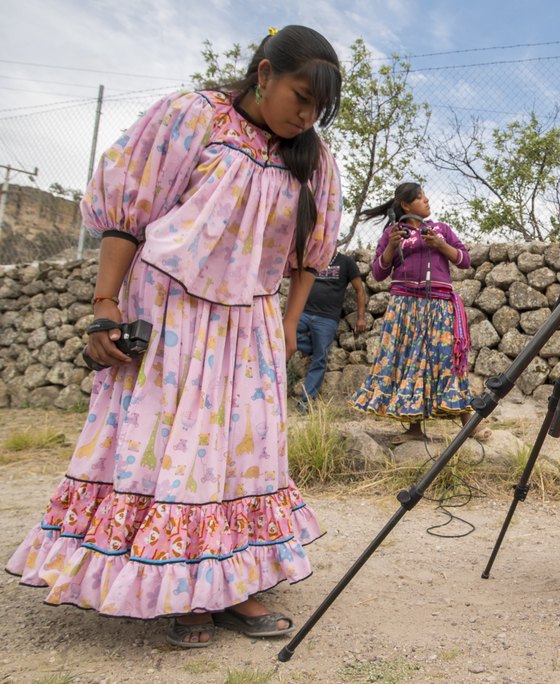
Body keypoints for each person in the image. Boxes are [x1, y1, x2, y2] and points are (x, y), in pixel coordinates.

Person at [5, 25, 344, 648]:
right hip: (169, 311)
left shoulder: (313, 160)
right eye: (300, 95)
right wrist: (105, 305)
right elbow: (128, 212)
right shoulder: (192, 117)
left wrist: (288, 325)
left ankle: (234, 585)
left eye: (319, 107)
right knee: (171, 445)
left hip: (250, 320)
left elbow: (308, 257)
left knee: (245, 449)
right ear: (264, 73)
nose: (307, 114)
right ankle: (180, 589)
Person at [350, 182, 490, 445]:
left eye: (426, 197)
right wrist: (391, 246)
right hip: (405, 305)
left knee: (447, 360)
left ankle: (469, 422)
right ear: (406, 205)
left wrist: (440, 245)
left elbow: (464, 260)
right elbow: (379, 274)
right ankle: (414, 429)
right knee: (410, 362)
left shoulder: (441, 230)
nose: (427, 201)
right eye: (421, 198)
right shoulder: (393, 233)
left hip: (438, 304)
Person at [295, 250, 367, 413]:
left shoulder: (346, 262)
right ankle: (314, 347)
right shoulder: (312, 258)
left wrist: (361, 317)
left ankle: (306, 402)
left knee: (320, 359)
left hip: (326, 318)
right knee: (286, 334)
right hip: (304, 313)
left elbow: (359, 290)